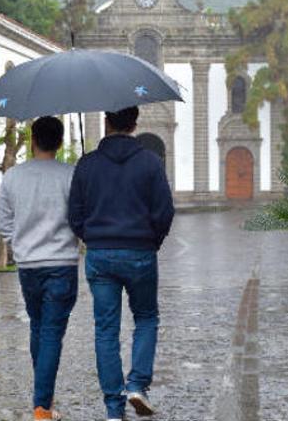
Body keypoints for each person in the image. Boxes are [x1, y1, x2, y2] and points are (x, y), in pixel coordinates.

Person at [68, 106, 175, 421]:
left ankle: (114, 409)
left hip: (100, 255)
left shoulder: (87, 164)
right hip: (140, 252)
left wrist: (91, 238)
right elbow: (165, 211)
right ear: (135, 123)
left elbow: (74, 213)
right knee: (146, 319)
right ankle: (137, 385)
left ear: (106, 122)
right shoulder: (150, 163)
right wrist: (151, 241)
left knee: (105, 329)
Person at [0, 116, 79, 421]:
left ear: (32, 140)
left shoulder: (13, 177)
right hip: (61, 264)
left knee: (38, 327)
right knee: (51, 333)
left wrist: (19, 247)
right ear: (59, 143)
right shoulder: (71, 175)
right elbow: (80, 218)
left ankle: (43, 399)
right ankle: (42, 407)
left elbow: (5, 223)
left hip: (28, 265)